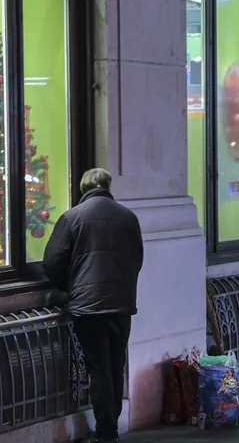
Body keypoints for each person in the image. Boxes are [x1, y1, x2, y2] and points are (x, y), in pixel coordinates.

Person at [43, 168, 144, 443]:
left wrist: (71, 286)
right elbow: (137, 259)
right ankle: (112, 426)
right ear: (109, 187)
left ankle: (106, 432)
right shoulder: (129, 218)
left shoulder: (72, 218)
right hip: (122, 305)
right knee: (115, 364)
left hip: (88, 308)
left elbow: (52, 262)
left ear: (82, 189)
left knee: (98, 368)